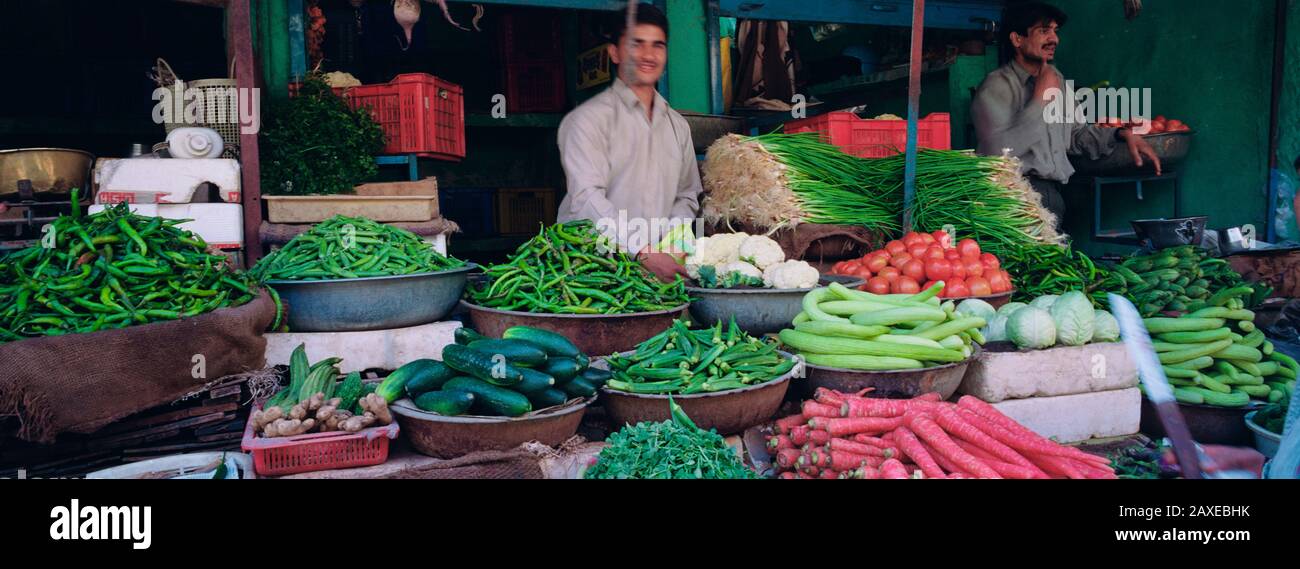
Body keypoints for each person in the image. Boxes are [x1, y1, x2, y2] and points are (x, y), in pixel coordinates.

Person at [971, 1, 1161, 224]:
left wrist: (1119, 134)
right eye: (1044, 31)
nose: (1054, 39)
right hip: (1012, 197)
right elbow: (996, 153)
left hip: (1054, 196)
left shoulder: (1056, 80)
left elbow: (1076, 135)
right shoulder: (995, 87)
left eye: (1055, 31)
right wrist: (1041, 98)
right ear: (1017, 39)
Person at [555, 4, 701, 281]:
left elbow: (687, 194)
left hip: (657, 273)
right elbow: (586, 197)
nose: (648, 55)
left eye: (657, 45)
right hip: (591, 269)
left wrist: (672, 244)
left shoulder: (678, 126)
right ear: (615, 52)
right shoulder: (586, 121)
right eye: (637, 44)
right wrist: (642, 252)